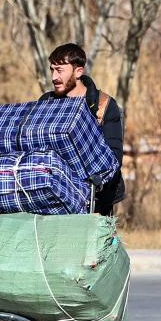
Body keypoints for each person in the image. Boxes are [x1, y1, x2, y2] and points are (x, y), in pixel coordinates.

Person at [39, 43, 125, 217]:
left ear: (78, 71)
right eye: (52, 70)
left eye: (60, 70)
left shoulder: (104, 106)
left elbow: (114, 157)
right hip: (53, 198)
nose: (54, 77)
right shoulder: (45, 102)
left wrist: (92, 184)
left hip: (97, 201)